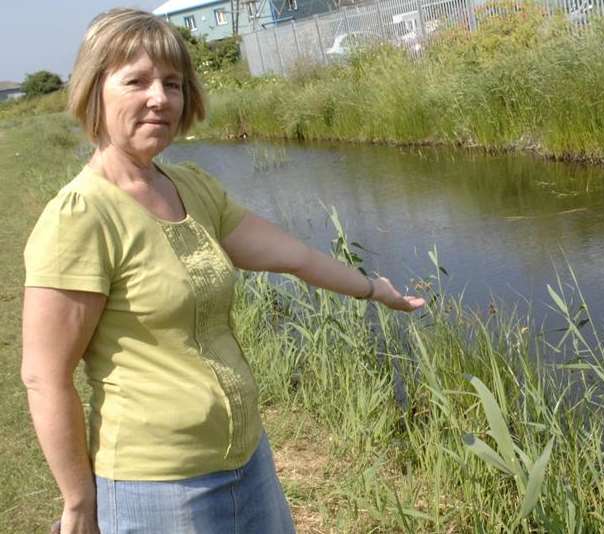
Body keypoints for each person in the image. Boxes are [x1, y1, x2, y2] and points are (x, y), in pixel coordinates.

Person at [20, 8, 425, 534]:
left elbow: (295, 257)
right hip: (157, 488)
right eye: (136, 81)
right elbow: (45, 377)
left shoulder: (190, 186)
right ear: (94, 90)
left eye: (172, 83)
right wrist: (78, 501)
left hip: (246, 461)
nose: (159, 98)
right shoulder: (80, 217)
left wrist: (373, 289)